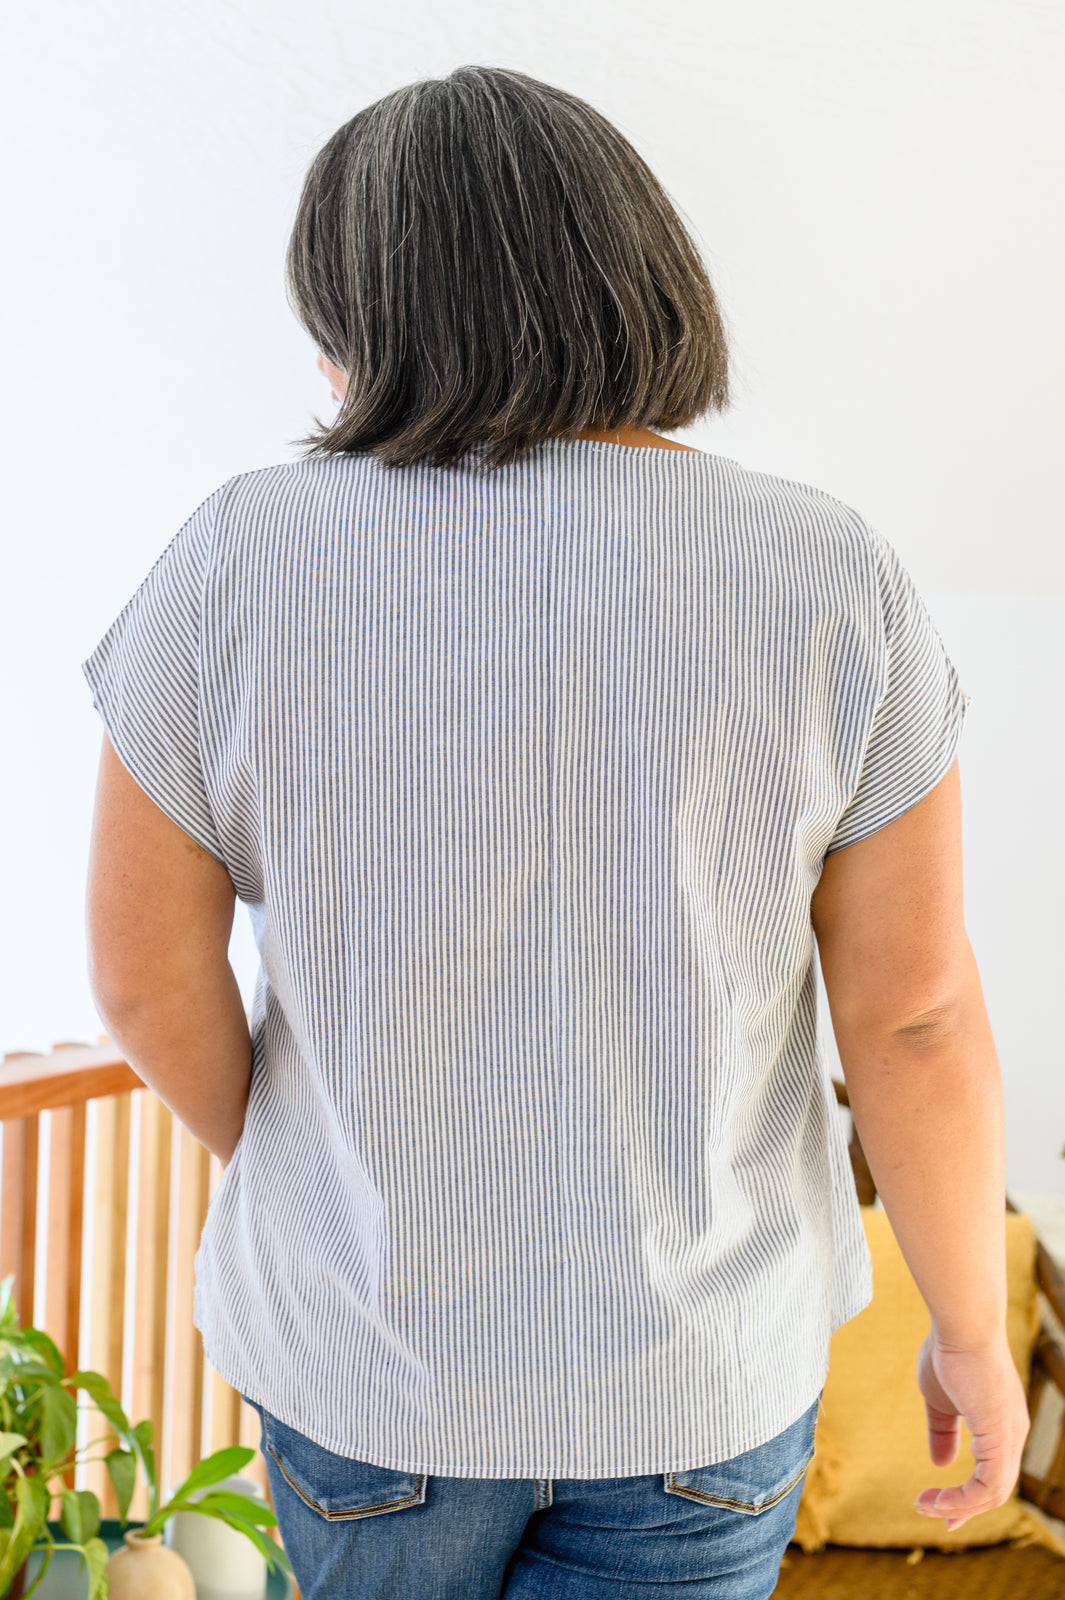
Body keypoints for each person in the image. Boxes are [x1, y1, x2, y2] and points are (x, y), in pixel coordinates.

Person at [82, 64, 1029, 1600]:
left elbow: (140, 981)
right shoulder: (826, 572)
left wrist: (319, 1170)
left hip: (370, 1368)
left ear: (363, 316)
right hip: (698, 1381)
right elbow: (913, 1016)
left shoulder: (241, 557)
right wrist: (971, 1331)